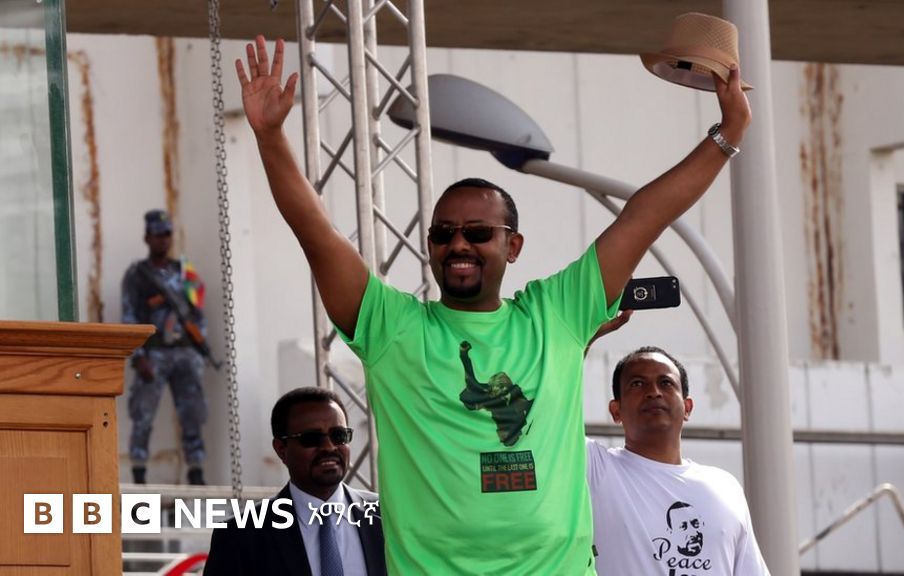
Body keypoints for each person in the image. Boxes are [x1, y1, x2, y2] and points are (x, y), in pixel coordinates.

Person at [234, 34, 750, 574]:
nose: (459, 244)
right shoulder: (393, 328)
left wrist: (727, 135)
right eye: (444, 234)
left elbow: (645, 215)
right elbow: (317, 234)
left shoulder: (557, 313)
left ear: (513, 246)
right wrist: (271, 137)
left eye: (478, 232)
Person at [586, 346, 770, 575]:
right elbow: (552, 411)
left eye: (666, 383)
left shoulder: (725, 487)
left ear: (687, 407)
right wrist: (582, 338)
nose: (654, 392)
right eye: (637, 384)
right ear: (616, 411)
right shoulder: (595, 468)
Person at [204, 387, 386, 576]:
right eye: (312, 438)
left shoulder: (387, 517)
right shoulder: (240, 535)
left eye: (339, 435)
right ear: (281, 449)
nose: (329, 447)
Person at [122, 209, 208, 485]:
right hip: (154, 354)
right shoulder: (137, 275)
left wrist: (198, 348)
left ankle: (196, 471)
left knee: (192, 413)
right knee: (143, 415)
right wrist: (139, 357)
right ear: (147, 237)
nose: (163, 239)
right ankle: (139, 473)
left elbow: (198, 312)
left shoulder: (184, 272)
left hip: (185, 352)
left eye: (167, 234)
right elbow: (129, 317)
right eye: (158, 234)